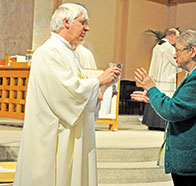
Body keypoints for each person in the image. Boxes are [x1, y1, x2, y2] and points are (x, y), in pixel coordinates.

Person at [13, 3, 121, 186]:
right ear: (66, 22)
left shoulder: (68, 52)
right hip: (55, 134)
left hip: (71, 130)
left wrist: (98, 90)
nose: (88, 28)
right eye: (83, 22)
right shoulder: (48, 52)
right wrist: (98, 82)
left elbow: (76, 87)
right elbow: (66, 91)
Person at [131, 30, 196, 186]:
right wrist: (153, 98)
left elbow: (172, 110)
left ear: (192, 51)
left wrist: (152, 89)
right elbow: (184, 107)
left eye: (178, 50)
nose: (174, 55)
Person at [142, 28, 181, 131]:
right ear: (172, 36)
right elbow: (175, 63)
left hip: (156, 78)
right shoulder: (169, 48)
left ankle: (152, 123)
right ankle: (161, 125)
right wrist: (182, 66)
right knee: (164, 98)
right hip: (166, 79)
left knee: (155, 97)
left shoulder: (158, 46)